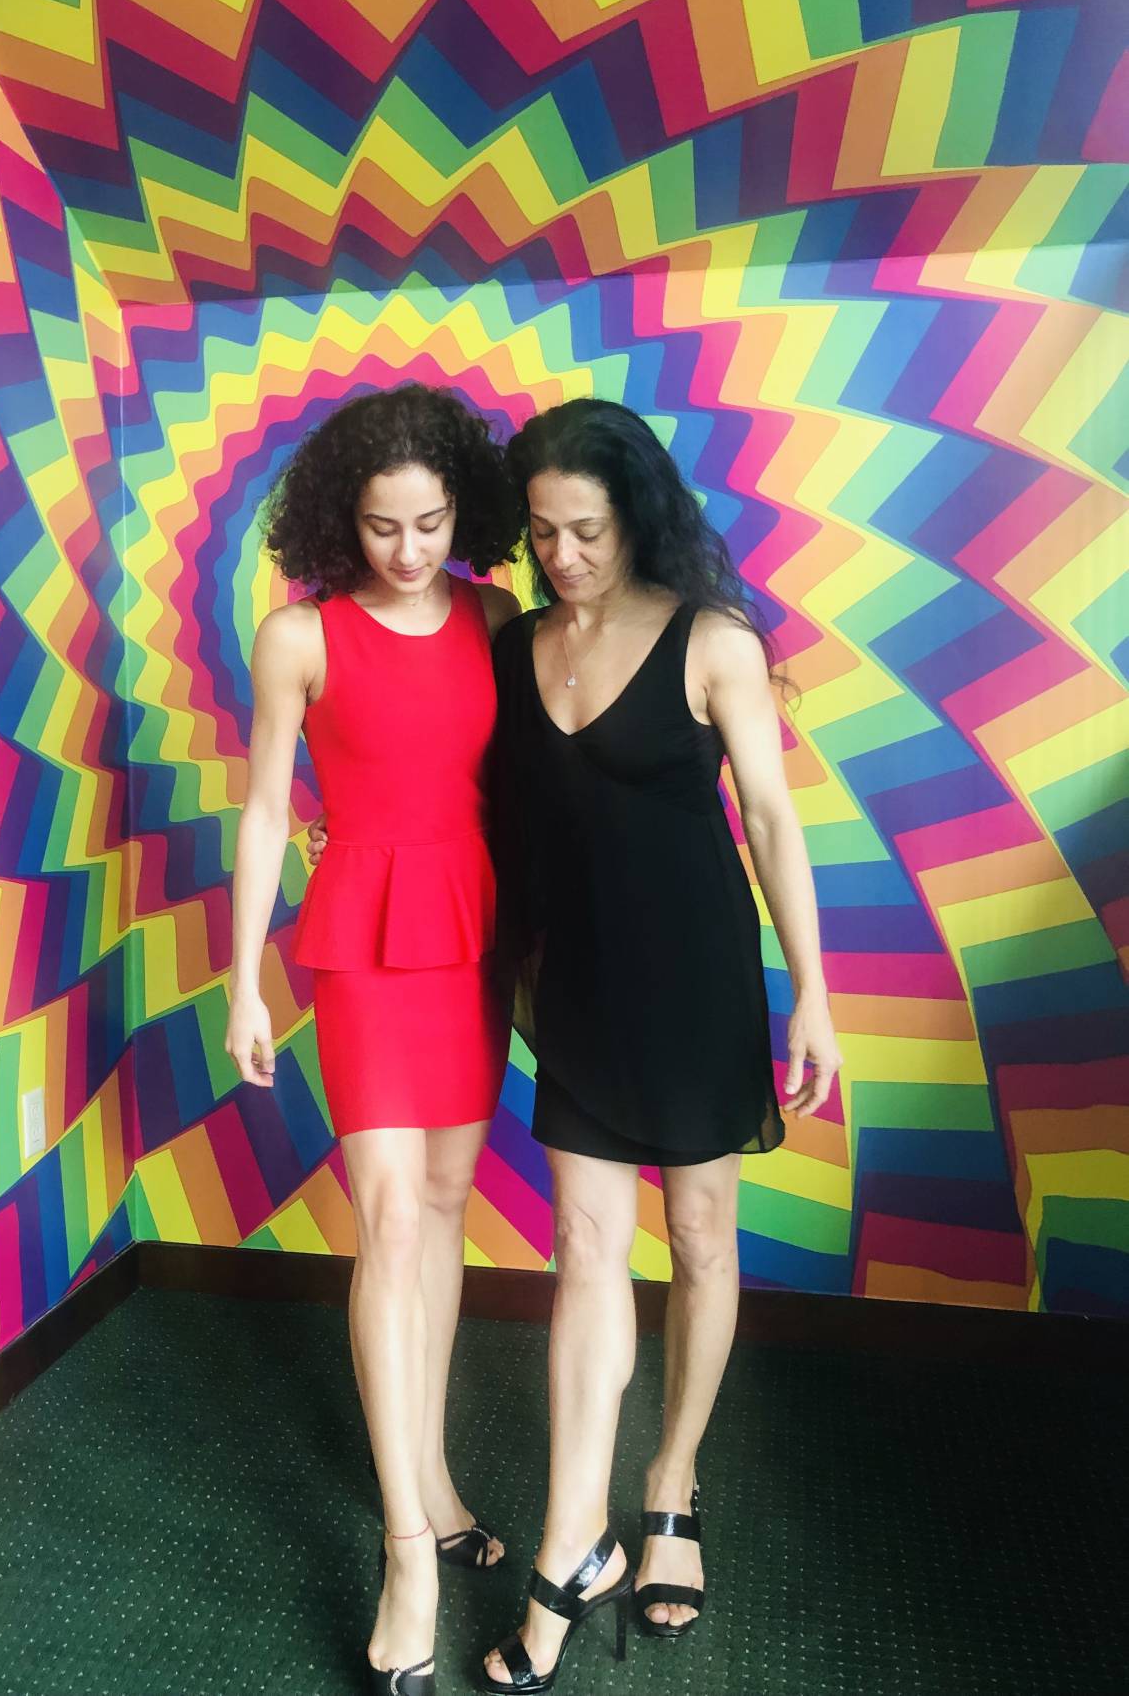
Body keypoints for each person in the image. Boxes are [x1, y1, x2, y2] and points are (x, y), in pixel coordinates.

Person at [479, 399, 841, 1693]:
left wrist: (812, 993)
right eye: (542, 532)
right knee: (583, 1248)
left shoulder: (712, 643)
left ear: (635, 513)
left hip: (695, 987)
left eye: (585, 529)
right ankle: (574, 1534)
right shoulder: (513, 643)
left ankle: (671, 1479)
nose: (564, 554)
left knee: (696, 1240)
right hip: (569, 988)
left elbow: (773, 824)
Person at [225, 384, 521, 1696]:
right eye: (382, 525)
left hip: (473, 926)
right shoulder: (297, 635)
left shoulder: (501, 616)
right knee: (393, 1217)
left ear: (462, 509)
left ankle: (440, 1478)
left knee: (447, 1203)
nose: (408, 549)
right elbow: (259, 811)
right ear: (342, 519)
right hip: (360, 935)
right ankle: (406, 1545)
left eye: (430, 522)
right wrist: (244, 981)